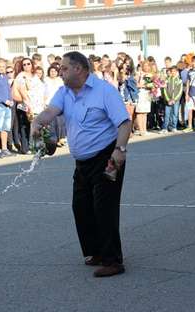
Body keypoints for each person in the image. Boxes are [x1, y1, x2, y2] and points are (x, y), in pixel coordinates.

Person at [31, 51, 131, 277]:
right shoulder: (64, 92)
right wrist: (37, 123)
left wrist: (120, 149)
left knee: (104, 208)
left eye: (64, 68)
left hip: (107, 157)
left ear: (79, 69)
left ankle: (113, 260)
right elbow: (50, 112)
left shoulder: (104, 91)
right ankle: (95, 252)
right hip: (82, 161)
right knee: (81, 207)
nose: (60, 72)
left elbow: (124, 123)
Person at [161, 66, 183, 133]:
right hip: (168, 100)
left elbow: (180, 91)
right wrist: (168, 99)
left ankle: (174, 127)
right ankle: (165, 128)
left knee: (175, 114)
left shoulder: (179, 80)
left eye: (174, 71)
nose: (173, 73)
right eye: (172, 71)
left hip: (175, 101)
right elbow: (164, 89)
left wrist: (174, 99)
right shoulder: (167, 80)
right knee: (167, 114)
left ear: (176, 72)